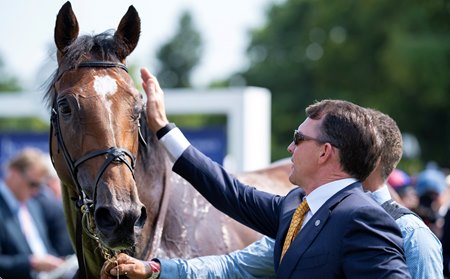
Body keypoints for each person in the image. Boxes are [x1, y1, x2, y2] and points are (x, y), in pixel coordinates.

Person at [103, 68, 410, 278]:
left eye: (299, 138)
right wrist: (164, 129)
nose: (290, 147)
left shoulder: (365, 218)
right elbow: (229, 192)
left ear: (325, 152)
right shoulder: (295, 206)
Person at [0, 148, 65, 279]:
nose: (36, 191)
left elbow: (43, 247)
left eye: (40, 186)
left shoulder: (32, 204)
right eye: (33, 184)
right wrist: (31, 263)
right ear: (14, 172)